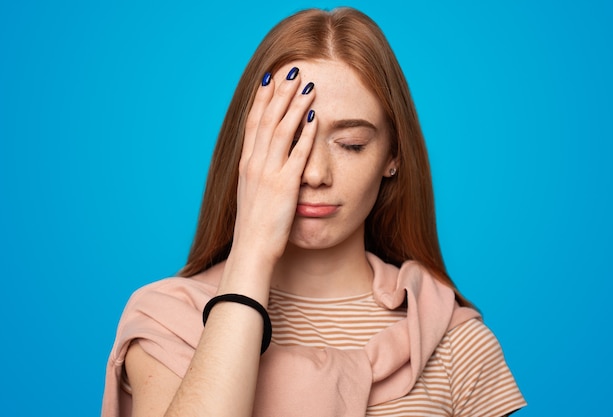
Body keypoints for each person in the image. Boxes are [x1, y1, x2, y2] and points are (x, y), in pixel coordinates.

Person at [102, 7, 526, 417]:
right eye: (289, 139)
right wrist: (251, 250)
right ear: (249, 149)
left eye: (352, 144)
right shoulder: (166, 318)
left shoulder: (451, 341)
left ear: (392, 156)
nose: (316, 173)